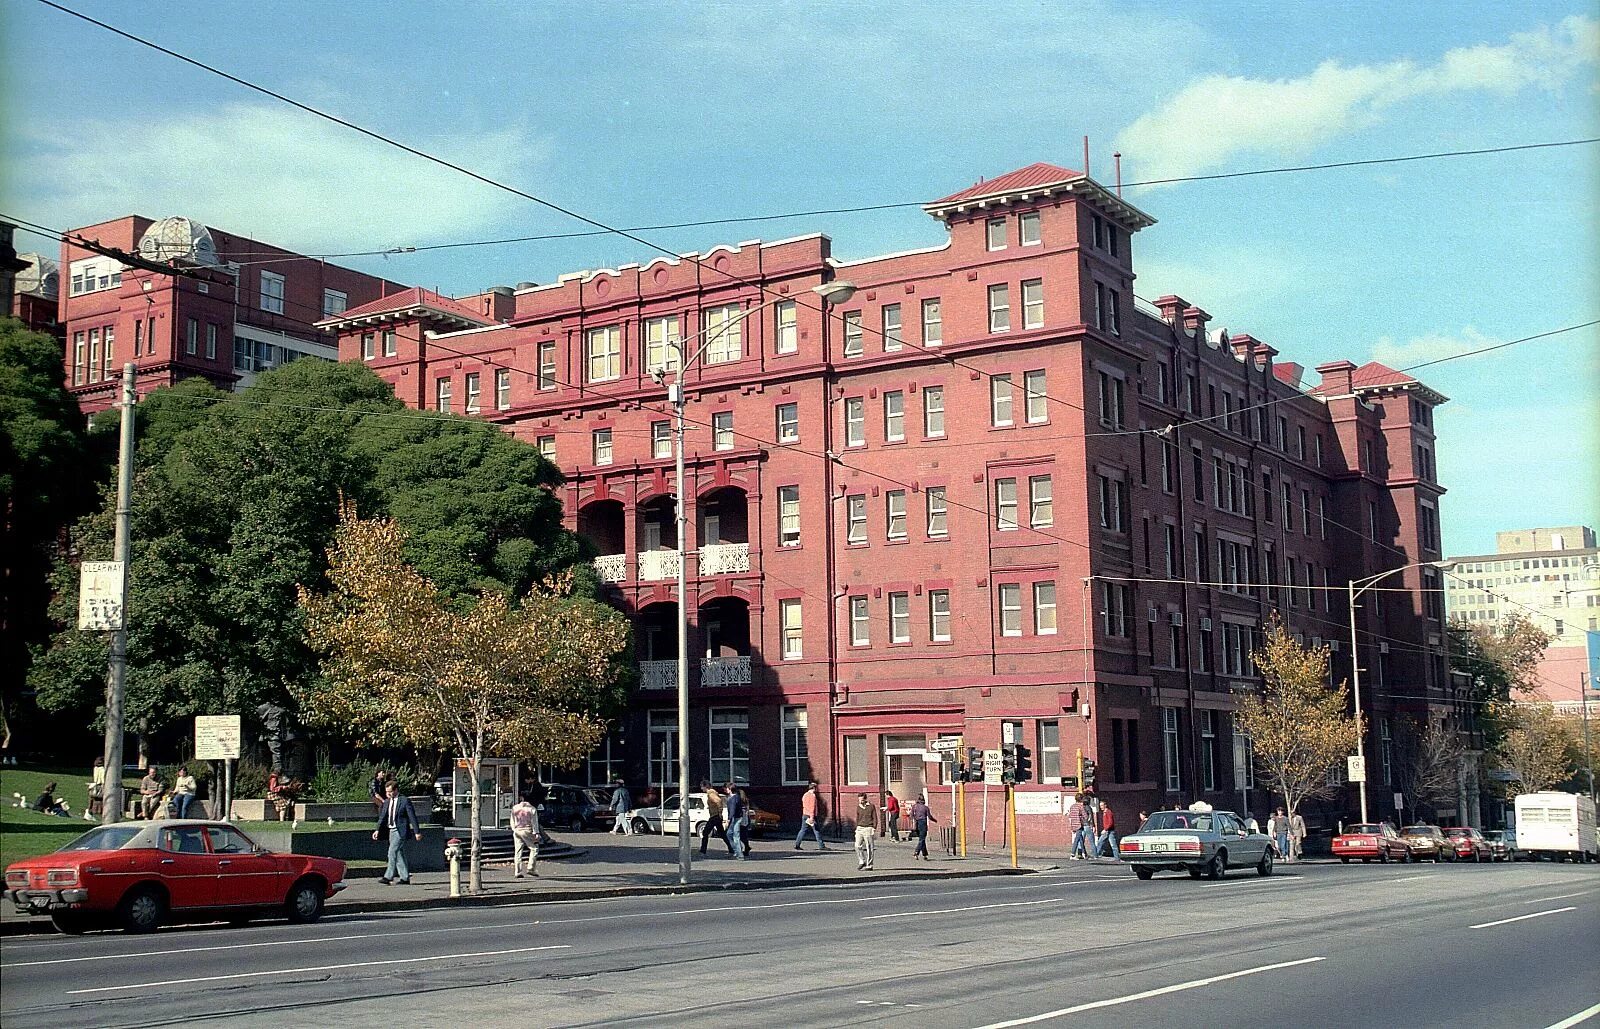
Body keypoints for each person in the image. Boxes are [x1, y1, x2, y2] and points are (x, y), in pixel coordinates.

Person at [373, 780, 422, 884]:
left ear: (396, 790)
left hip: (400, 831)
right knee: (399, 853)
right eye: (387, 792)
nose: (388, 794)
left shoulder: (404, 801)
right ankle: (404, 877)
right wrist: (377, 830)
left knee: (392, 852)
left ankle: (388, 876)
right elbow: (382, 817)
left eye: (390, 791)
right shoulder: (387, 802)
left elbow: (412, 816)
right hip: (391, 830)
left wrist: (417, 832)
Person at [511, 791, 540, 877]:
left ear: (521, 798)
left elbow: (512, 820)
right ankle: (531, 868)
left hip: (517, 830)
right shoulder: (532, 809)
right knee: (534, 848)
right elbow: (534, 823)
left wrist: (514, 829)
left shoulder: (515, 808)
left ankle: (518, 871)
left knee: (518, 851)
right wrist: (536, 833)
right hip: (527, 830)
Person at [793, 781, 827, 850]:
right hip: (811, 815)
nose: (817, 789)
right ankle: (821, 845)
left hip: (805, 814)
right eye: (816, 788)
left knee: (802, 830)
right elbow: (812, 807)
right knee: (816, 830)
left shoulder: (805, 795)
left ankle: (797, 844)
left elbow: (804, 805)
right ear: (814, 788)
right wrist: (812, 817)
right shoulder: (812, 796)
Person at [700, 780, 730, 856]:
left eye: (702, 786)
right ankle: (731, 848)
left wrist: (720, 812)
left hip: (715, 816)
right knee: (722, 834)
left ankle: (703, 850)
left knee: (705, 832)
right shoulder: (712, 793)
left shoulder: (711, 793)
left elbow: (719, 801)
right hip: (716, 816)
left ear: (705, 786)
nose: (701, 788)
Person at [723, 781, 747, 860]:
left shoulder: (732, 798)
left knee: (735, 835)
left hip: (735, 818)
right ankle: (737, 851)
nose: (725, 790)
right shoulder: (737, 797)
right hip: (738, 817)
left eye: (726, 789)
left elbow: (732, 810)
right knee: (730, 834)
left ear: (729, 789)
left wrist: (728, 820)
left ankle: (739, 854)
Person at [855, 794, 879, 870]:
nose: (860, 801)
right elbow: (858, 817)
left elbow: (874, 817)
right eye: (859, 800)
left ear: (865, 799)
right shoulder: (858, 807)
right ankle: (862, 861)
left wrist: (874, 827)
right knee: (857, 845)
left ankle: (869, 865)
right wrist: (857, 826)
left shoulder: (871, 806)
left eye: (862, 800)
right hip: (860, 828)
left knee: (869, 847)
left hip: (868, 828)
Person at [910, 794, 936, 860]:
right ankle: (916, 852)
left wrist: (913, 822)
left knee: (922, 839)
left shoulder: (914, 806)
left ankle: (925, 854)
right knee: (922, 839)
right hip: (923, 823)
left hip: (917, 823)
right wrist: (935, 820)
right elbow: (929, 816)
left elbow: (911, 815)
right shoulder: (925, 808)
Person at [1066, 794, 1090, 859]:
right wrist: (1086, 818)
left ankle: (1084, 854)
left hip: (1073, 824)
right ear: (1081, 799)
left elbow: (1070, 816)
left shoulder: (1072, 806)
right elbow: (1085, 816)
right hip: (1079, 824)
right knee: (1077, 839)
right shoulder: (1080, 806)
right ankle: (1072, 854)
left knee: (1080, 839)